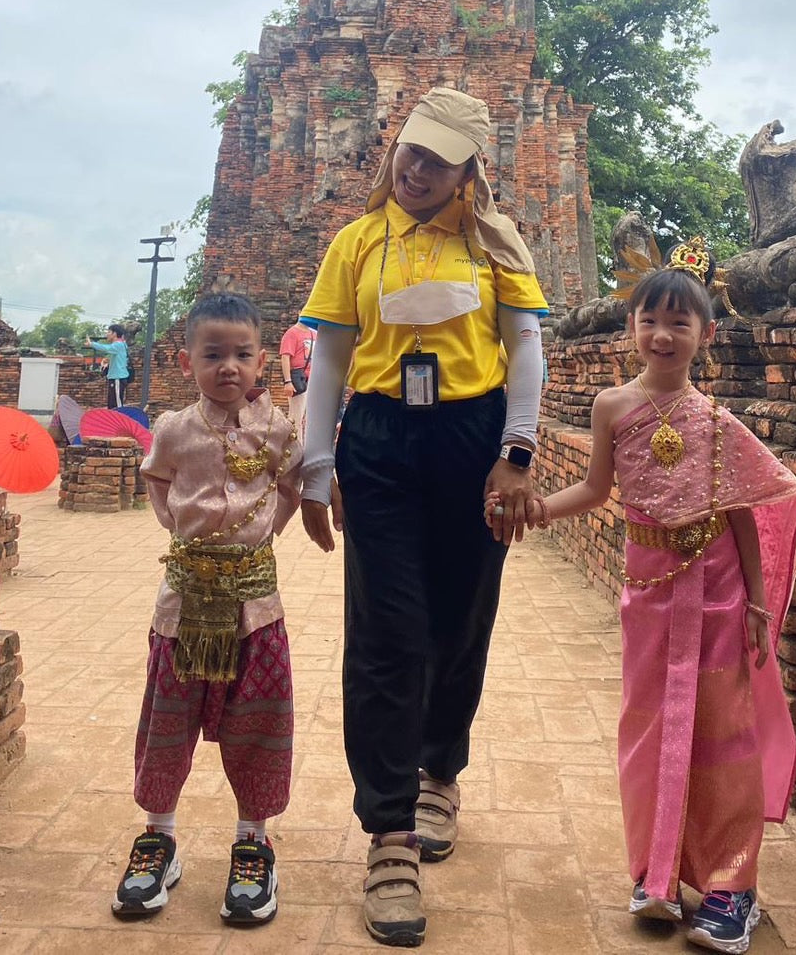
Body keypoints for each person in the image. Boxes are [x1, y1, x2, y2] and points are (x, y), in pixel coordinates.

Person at [498, 240, 796, 955]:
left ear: (706, 334)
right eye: (650, 319)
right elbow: (597, 489)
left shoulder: (717, 421)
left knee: (721, 730)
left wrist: (760, 602)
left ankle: (734, 888)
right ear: (631, 327)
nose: (663, 335)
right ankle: (657, 870)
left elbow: (748, 505)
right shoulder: (612, 406)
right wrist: (536, 508)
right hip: (648, 588)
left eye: (680, 321)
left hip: (720, 588)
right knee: (647, 725)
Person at [298, 86, 547, 948]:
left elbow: (525, 347)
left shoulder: (495, 244)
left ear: (468, 170)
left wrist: (517, 453)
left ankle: (442, 767)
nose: (417, 168)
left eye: (438, 158)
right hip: (377, 440)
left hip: (471, 439)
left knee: (460, 617)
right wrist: (317, 465)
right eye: (410, 150)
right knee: (387, 633)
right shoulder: (357, 242)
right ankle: (390, 833)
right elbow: (328, 359)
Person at [111, 292, 303, 927]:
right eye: (213, 354)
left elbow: (292, 484)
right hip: (183, 608)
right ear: (186, 359)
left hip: (256, 607)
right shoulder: (173, 429)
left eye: (242, 355)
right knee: (168, 719)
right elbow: (156, 481)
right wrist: (189, 539)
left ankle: (254, 842)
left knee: (259, 722)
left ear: (261, 361)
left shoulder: (277, 430)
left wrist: (262, 534)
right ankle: (157, 837)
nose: (229, 367)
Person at [278, 318, 313, 437]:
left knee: (309, 420)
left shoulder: (313, 333)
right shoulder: (292, 333)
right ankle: (295, 451)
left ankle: (305, 450)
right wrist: (288, 381)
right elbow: (285, 357)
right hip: (299, 380)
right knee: (296, 419)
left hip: (313, 380)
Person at [86, 324, 130, 408]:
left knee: (117, 405)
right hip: (115, 377)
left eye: (109, 332)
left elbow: (106, 348)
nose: (107, 334)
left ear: (114, 334)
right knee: (112, 404)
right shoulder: (121, 345)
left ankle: (119, 420)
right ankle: (113, 420)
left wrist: (92, 344)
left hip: (118, 378)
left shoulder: (118, 345)